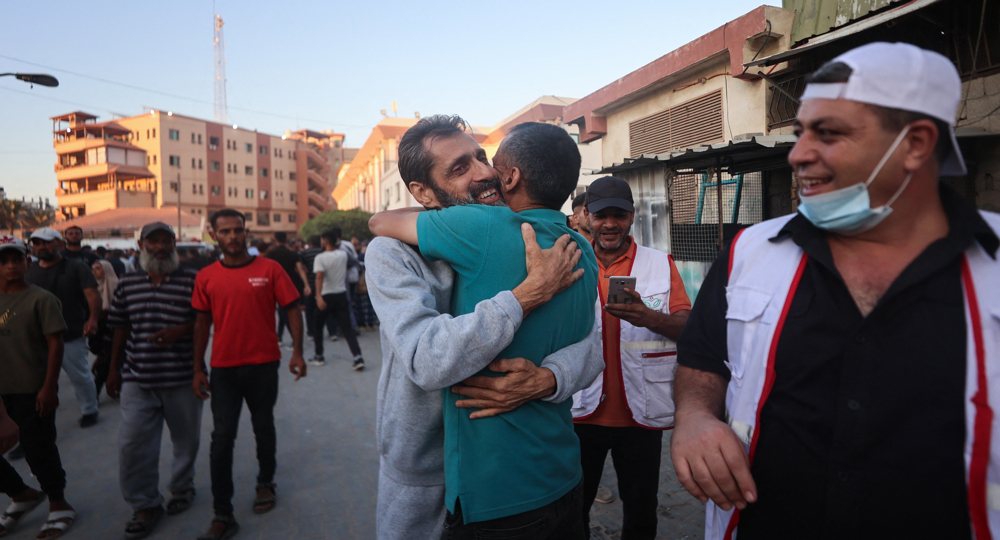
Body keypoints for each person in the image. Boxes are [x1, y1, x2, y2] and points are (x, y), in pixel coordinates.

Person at [671, 42, 1000, 540]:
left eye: (828, 134)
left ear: (916, 143)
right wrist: (694, 417)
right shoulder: (750, 252)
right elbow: (702, 362)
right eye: (801, 131)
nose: (799, 154)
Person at [366, 114, 605, 540]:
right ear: (421, 192)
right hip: (426, 472)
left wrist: (549, 379)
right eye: (461, 168)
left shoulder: (533, 238)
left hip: (505, 473)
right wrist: (527, 295)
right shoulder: (392, 253)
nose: (484, 173)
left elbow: (591, 343)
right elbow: (426, 357)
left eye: (481, 157)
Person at [568, 176, 691, 539]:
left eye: (618, 215)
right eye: (601, 214)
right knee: (573, 511)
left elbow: (689, 329)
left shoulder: (658, 264)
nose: (609, 224)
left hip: (641, 417)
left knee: (641, 513)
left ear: (632, 216)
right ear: (586, 216)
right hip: (579, 412)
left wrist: (648, 317)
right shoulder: (567, 260)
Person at [192, 209, 306, 540]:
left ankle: (265, 482)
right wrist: (198, 367)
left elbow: (292, 308)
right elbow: (201, 324)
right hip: (224, 369)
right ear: (214, 235)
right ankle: (222, 513)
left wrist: (297, 351)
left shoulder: (269, 269)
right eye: (224, 231)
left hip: (263, 364)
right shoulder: (207, 276)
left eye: (237, 230)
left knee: (263, 425)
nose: (232, 237)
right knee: (222, 438)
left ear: (246, 232)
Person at [105, 222, 201, 539]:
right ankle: (145, 503)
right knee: (132, 444)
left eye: (166, 241)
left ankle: (182, 488)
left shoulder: (191, 279)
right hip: (137, 375)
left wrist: (181, 331)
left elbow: (204, 321)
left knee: (186, 441)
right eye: (153, 241)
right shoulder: (128, 283)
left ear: (174, 244)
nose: (160, 247)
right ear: (141, 244)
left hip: (183, 375)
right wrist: (113, 369)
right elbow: (120, 327)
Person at [0, 235, 78, 539]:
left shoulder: (40, 299)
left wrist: (50, 388)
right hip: (2, 393)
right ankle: (21, 494)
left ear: (26, 261)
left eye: (15, 259)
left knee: (38, 448)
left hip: (32, 389)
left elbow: (55, 344)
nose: (9, 266)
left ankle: (59, 503)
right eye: (3, 261)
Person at [26, 227, 102, 428]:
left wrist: (93, 319)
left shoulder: (77, 268)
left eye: (47, 242)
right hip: (37, 337)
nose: (42, 246)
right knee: (36, 381)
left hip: (71, 333)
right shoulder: (29, 271)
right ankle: (39, 415)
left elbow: (93, 295)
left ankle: (89, 410)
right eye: (38, 243)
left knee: (79, 375)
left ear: (60, 244)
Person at [312, 229, 364, 369]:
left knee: (317, 326)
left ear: (326, 241)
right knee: (347, 329)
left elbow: (319, 277)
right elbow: (354, 262)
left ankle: (319, 355)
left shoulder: (320, 258)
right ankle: (357, 357)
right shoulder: (343, 255)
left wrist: (318, 297)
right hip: (341, 294)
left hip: (326, 295)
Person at [265, 232, 311, 346]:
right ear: (286, 240)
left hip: (275, 285)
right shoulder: (293, 254)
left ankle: (289, 338)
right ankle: (281, 336)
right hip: (291, 284)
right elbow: (300, 270)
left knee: (283, 312)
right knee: (285, 311)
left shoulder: (270, 254)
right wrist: (306, 284)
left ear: (275, 239)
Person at [89, 259, 118, 397]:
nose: (95, 271)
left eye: (98, 268)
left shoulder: (115, 285)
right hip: (99, 329)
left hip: (114, 329)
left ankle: (96, 391)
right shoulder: (92, 288)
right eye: (93, 268)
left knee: (106, 360)